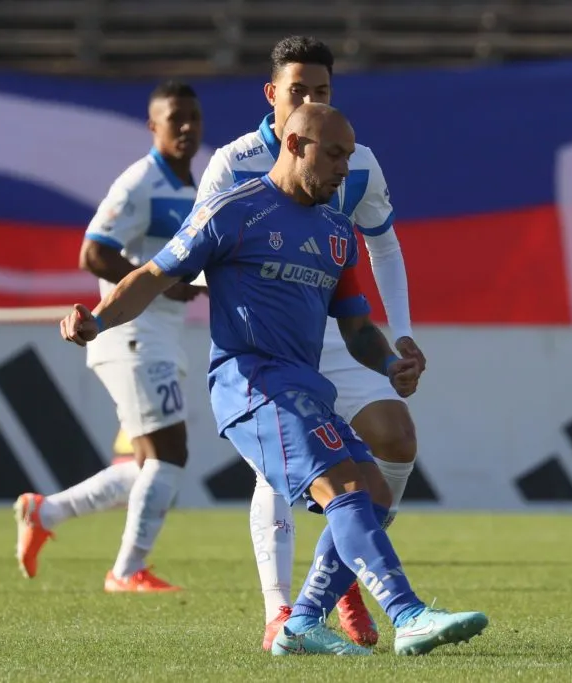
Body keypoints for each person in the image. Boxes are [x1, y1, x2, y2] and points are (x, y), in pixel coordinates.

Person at [59, 103, 488, 656]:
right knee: (347, 489)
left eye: (349, 156)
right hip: (251, 382)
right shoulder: (234, 211)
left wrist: (389, 365)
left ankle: (303, 621)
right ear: (294, 145)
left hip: (304, 386)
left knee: (376, 493)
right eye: (333, 154)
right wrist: (97, 320)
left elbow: (356, 327)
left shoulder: (338, 230)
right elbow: (151, 275)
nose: (343, 168)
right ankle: (408, 614)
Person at [196, 35, 421, 649]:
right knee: (284, 476)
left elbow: (383, 243)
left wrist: (400, 336)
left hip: (343, 334)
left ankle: (338, 574)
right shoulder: (235, 163)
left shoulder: (356, 160)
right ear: (273, 94)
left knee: (396, 438)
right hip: (266, 343)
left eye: (321, 91)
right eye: (298, 90)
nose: (310, 100)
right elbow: (196, 252)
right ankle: (281, 611)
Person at [15, 80, 205, 592]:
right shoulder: (140, 182)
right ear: (153, 126)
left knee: (146, 462)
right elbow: (93, 253)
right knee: (170, 454)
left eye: (193, 117)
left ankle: (46, 512)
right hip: (131, 333)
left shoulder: (189, 187)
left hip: (159, 335)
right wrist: (159, 284)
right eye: (175, 119)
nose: (186, 127)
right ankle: (127, 571)